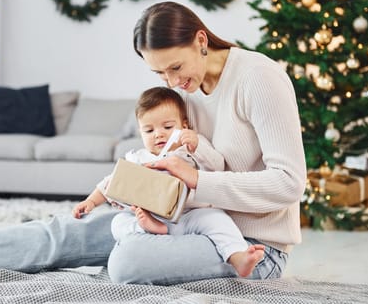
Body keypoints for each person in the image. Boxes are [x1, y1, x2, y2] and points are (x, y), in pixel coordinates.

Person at [0, 1, 306, 285]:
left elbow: (289, 184)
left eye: (176, 67)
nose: (175, 83)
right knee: (68, 230)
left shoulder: (259, 79)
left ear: (200, 40)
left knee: (126, 263)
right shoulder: (187, 89)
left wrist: (195, 181)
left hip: (249, 245)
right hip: (175, 220)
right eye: (161, 76)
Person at [72, 86, 265, 278]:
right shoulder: (138, 158)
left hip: (192, 215)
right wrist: (90, 201)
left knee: (219, 220)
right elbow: (111, 182)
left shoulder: (191, 149)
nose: (158, 134)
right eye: (149, 130)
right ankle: (149, 229)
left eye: (167, 127)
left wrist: (197, 145)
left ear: (184, 126)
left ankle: (237, 257)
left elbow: (218, 166)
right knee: (118, 222)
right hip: (152, 218)